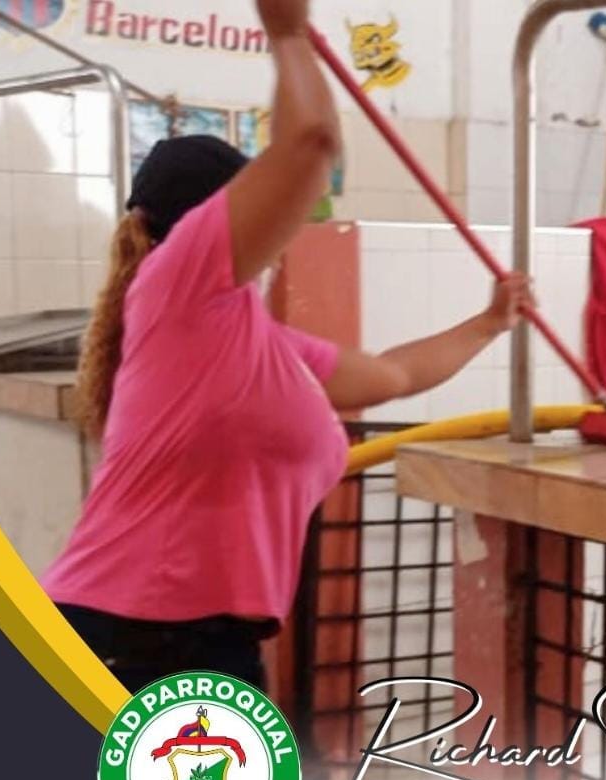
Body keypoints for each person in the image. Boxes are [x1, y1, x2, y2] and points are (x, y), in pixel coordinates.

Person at [42, 0, 532, 693]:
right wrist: (286, 35)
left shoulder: (252, 344)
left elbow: (392, 373)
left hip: (202, 644)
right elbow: (310, 144)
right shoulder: (177, 277)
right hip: (131, 640)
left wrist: (490, 321)